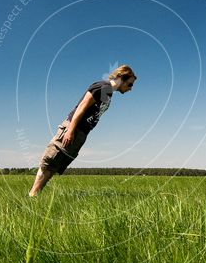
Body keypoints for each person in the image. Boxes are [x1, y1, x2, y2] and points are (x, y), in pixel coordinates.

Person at [29, 65, 136, 196]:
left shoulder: (108, 93)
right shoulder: (103, 86)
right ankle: (32, 195)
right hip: (73, 128)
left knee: (55, 166)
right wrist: (70, 130)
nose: (130, 88)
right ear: (121, 78)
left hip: (81, 133)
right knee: (50, 161)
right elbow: (82, 106)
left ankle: (35, 195)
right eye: (130, 84)